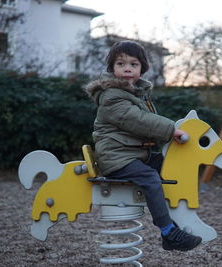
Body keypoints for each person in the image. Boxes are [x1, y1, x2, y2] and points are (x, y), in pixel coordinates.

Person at [85, 40, 202, 251]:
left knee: (171, 164)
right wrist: (171, 130)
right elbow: (138, 120)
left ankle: (182, 215)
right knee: (150, 177)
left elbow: (145, 122)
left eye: (133, 64)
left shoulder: (136, 94)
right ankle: (168, 232)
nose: (127, 68)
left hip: (134, 154)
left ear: (142, 69)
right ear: (112, 69)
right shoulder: (112, 96)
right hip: (117, 157)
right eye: (120, 64)